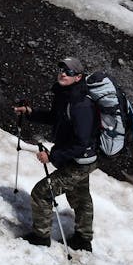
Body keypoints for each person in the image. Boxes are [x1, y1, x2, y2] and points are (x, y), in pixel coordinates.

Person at [13, 56, 100, 251]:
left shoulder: (80, 104)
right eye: (61, 69)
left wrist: (52, 157)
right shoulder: (66, 95)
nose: (62, 73)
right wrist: (30, 113)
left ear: (78, 77)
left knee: (42, 193)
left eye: (68, 72)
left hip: (81, 160)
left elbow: (82, 142)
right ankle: (83, 239)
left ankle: (41, 236)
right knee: (80, 196)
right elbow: (55, 118)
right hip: (76, 157)